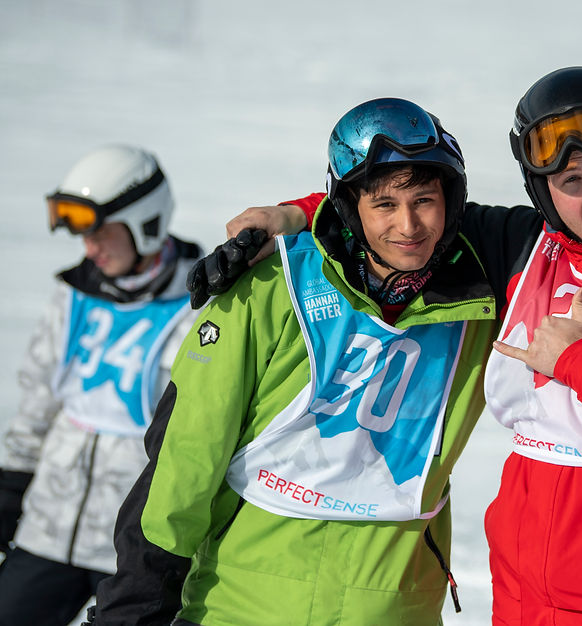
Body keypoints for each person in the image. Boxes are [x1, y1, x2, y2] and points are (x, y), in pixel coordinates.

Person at [199, 67, 582, 624]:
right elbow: (401, 204)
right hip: (526, 589)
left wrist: (577, 360)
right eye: (570, 181)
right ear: (543, 193)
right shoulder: (524, 248)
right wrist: (294, 214)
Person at [89, 98, 502, 626]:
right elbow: (187, 454)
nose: (409, 225)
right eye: (383, 206)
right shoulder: (272, 283)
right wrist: (135, 603)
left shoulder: (485, 295)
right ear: (351, 208)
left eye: (425, 200)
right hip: (239, 602)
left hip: (392, 606)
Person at [0, 145, 202, 625]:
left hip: (136, 550)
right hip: (48, 529)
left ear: (146, 224)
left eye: (102, 233)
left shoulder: (201, 304)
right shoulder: (73, 295)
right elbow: (38, 399)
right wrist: (10, 487)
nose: (90, 249)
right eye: (83, 236)